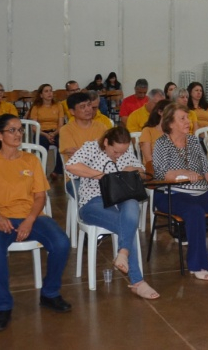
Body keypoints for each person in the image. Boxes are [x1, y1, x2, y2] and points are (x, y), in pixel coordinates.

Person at [0, 115, 72, 331]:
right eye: (12, 130)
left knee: (62, 243)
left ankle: (50, 293)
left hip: (33, 217)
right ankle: (2, 306)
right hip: (0, 219)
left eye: (19, 130)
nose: (18, 134)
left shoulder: (31, 160)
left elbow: (40, 197)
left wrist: (29, 220)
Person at [66, 127, 159, 299]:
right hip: (93, 202)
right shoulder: (91, 147)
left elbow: (139, 170)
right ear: (106, 142)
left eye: (122, 152)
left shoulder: (125, 150)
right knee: (127, 225)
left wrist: (130, 169)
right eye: (115, 151)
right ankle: (137, 281)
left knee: (131, 203)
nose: (118, 155)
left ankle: (122, 253)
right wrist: (101, 175)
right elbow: (71, 166)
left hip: (119, 199)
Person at [152, 104, 208, 280]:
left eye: (188, 118)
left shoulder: (193, 141)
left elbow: (207, 168)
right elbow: (161, 173)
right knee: (194, 212)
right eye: (182, 118)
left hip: (199, 192)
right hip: (171, 194)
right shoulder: (162, 143)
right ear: (170, 123)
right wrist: (182, 173)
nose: (188, 122)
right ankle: (197, 264)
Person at [58, 92, 107, 181]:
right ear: (72, 112)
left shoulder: (101, 127)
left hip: (101, 173)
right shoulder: (66, 130)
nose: (88, 109)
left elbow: (109, 151)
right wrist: (98, 152)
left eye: (89, 105)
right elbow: (74, 155)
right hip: (76, 177)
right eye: (82, 107)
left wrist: (83, 152)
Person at [137, 99, 171, 176]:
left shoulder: (174, 131)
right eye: (169, 111)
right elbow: (148, 158)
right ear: (160, 112)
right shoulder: (148, 130)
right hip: (153, 169)